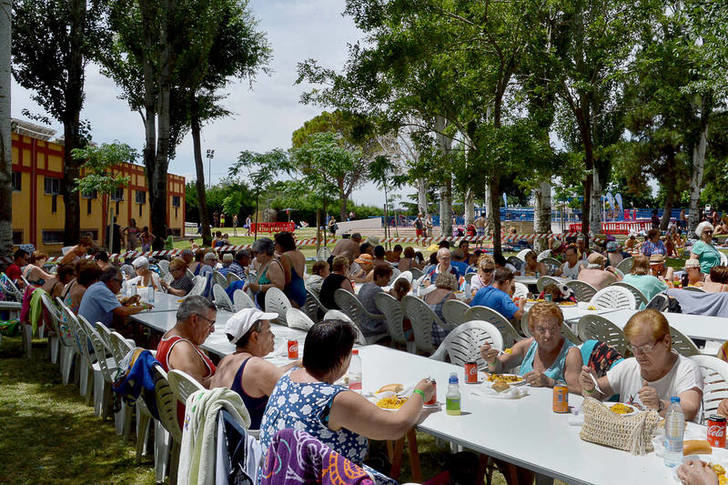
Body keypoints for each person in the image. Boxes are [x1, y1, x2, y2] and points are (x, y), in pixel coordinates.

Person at [258, 319, 435, 482]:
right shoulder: (334, 399)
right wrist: (420, 392)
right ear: (342, 359)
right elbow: (397, 426)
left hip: (276, 476)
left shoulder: (285, 378)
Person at [580, 309, 703, 421]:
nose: (639, 354)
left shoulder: (686, 369)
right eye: (634, 348)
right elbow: (597, 394)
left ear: (666, 341)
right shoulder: (629, 366)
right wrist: (590, 386)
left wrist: (659, 405)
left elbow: (690, 409)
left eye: (646, 348)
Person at [209, 308, 298, 429]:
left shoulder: (227, 360)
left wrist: (294, 365)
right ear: (255, 337)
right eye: (268, 330)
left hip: (227, 437)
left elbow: (268, 376)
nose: (273, 335)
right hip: (254, 440)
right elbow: (296, 398)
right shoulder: (257, 367)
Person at [480, 302, 582, 390]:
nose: (548, 335)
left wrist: (550, 382)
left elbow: (578, 390)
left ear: (560, 327)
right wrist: (492, 360)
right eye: (541, 330)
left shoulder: (571, 354)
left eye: (553, 328)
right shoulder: (527, 346)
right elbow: (499, 367)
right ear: (532, 330)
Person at [78, 267, 149, 329]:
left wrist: (127, 303)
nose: (121, 287)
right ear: (112, 281)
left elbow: (115, 308)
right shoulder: (102, 290)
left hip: (89, 332)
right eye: (120, 283)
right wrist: (144, 306)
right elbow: (123, 312)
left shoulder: (97, 286)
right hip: (93, 337)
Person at [247, 238, 285, 309]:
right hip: (264, 305)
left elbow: (280, 286)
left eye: (256, 253)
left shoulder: (273, 265)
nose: (254, 256)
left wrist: (259, 288)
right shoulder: (263, 263)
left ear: (264, 253)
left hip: (272, 307)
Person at [356, 265, 393, 338]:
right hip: (373, 326)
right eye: (387, 277)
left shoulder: (365, 286)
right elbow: (389, 311)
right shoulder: (377, 291)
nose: (389, 280)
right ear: (379, 277)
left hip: (361, 323)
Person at [274, 231, 307, 308]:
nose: (275, 246)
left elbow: (287, 280)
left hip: (292, 293)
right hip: (301, 290)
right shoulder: (299, 254)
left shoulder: (285, 257)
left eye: (276, 243)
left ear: (282, 244)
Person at [423, 272, 458, 341]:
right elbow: (455, 318)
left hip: (426, 335)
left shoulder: (427, 294)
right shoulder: (450, 295)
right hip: (441, 337)